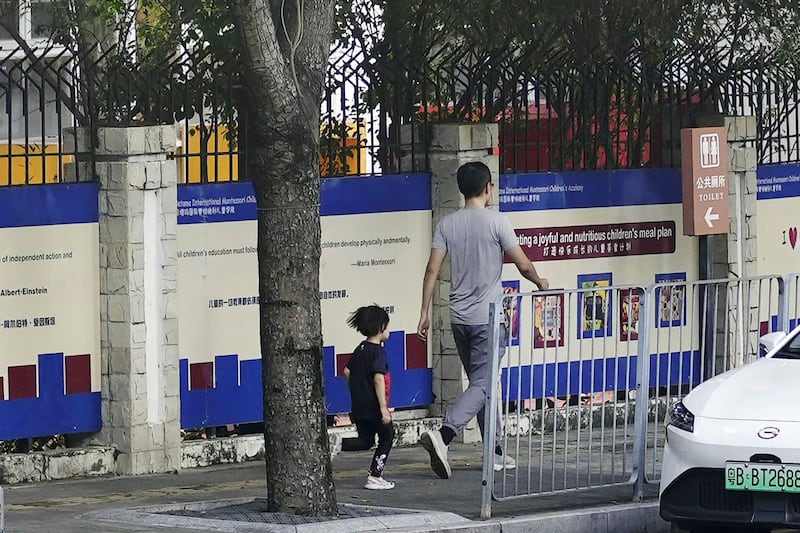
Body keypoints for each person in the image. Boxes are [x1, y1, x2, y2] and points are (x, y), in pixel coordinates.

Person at [417, 161, 549, 479]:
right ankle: (444, 435)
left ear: (462, 189)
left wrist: (423, 311)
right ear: (488, 187)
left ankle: (496, 452)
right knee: (484, 383)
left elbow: (432, 269)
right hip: (488, 319)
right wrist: (540, 282)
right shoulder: (497, 222)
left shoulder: (447, 225)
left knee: (482, 385)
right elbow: (523, 264)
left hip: (458, 318)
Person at [342, 305, 395, 490]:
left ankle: (337, 444)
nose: (389, 330)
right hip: (374, 407)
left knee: (365, 441)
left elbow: (347, 372)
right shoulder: (378, 351)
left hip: (359, 406)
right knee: (387, 436)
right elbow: (379, 378)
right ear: (381, 328)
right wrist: (383, 407)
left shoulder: (360, 348)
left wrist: (356, 392)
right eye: (387, 327)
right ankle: (375, 476)